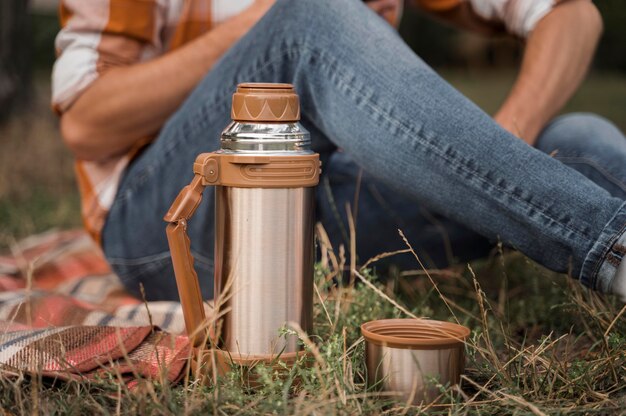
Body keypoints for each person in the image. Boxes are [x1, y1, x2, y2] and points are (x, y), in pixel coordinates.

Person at [52, 0, 626, 302]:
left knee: (579, 141)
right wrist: (264, 22)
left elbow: (571, 13)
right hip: (174, 224)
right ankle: (614, 249)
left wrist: (503, 144)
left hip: (325, 205)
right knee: (310, 15)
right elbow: (84, 123)